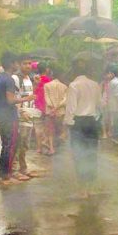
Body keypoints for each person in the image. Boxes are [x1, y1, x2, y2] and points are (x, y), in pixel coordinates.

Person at [64, 52, 104, 197]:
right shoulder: (95, 85)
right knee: (91, 154)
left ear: (74, 71)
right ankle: (91, 187)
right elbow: (101, 105)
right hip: (92, 123)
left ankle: (82, 190)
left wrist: (67, 125)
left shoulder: (74, 86)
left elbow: (71, 109)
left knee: (79, 155)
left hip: (79, 124)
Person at [0, 52, 34, 185]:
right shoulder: (9, 79)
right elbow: (10, 100)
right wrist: (26, 98)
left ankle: (3, 174)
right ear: (12, 64)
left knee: (6, 145)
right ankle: (6, 175)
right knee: (10, 146)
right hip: (9, 117)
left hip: (1, 115)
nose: (17, 65)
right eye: (16, 62)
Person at [44, 66, 68, 150]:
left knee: (50, 130)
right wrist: (57, 107)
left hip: (50, 112)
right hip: (60, 112)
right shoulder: (64, 86)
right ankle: (58, 148)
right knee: (59, 130)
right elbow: (65, 100)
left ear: (52, 75)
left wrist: (53, 108)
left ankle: (51, 148)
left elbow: (47, 99)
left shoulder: (47, 85)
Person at [33, 61, 55, 154]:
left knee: (38, 128)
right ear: (47, 69)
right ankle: (49, 146)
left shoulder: (36, 80)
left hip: (37, 105)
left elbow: (33, 92)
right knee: (48, 128)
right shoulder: (49, 80)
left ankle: (39, 148)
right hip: (47, 107)